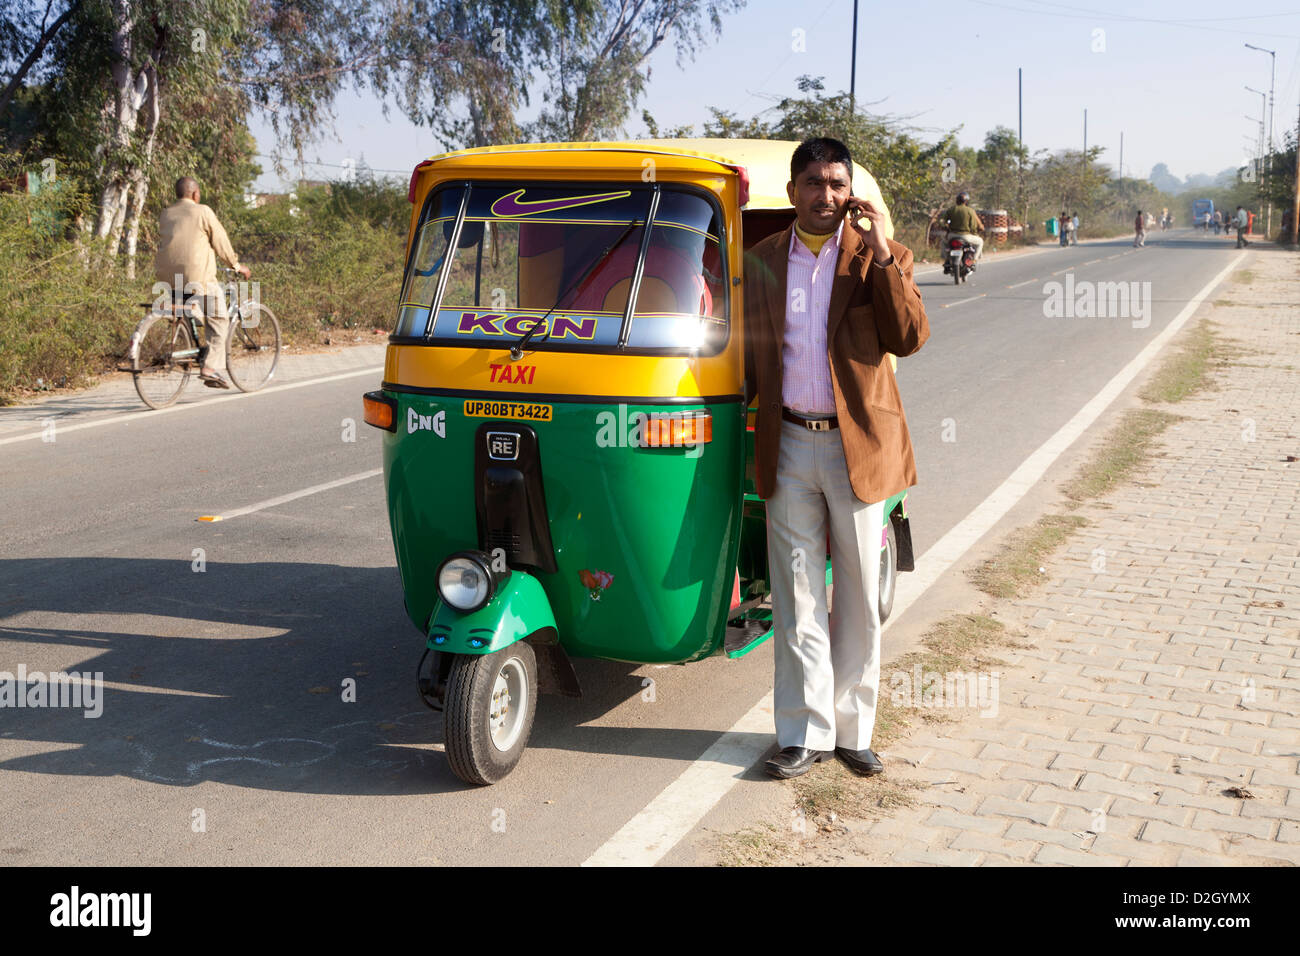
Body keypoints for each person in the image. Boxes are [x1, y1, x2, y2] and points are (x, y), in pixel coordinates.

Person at [743, 137, 930, 780]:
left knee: (855, 597)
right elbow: (745, 353)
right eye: (814, 183)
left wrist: (881, 255)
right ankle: (803, 733)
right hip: (789, 442)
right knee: (796, 597)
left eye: (838, 184)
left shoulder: (884, 259)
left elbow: (909, 337)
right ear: (792, 191)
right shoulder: (762, 259)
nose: (827, 196)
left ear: (852, 193)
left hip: (861, 450)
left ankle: (854, 731)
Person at [154, 176, 250, 388]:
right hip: (196, 278)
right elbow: (221, 242)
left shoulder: (166, 214)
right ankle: (209, 368)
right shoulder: (203, 211)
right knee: (219, 319)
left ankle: (194, 321)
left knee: (193, 304)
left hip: (166, 278)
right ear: (195, 194)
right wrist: (236, 265)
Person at [940, 192, 985, 260]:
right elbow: (973, 226)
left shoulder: (951, 210)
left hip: (952, 236)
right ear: (966, 201)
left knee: (942, 242)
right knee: (980, 241)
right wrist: (975, 233)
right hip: (966, 237)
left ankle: (946, 259)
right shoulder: (970, 211)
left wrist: (946, 229)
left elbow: (943, 222)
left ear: (957, 200)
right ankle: (974, 259)